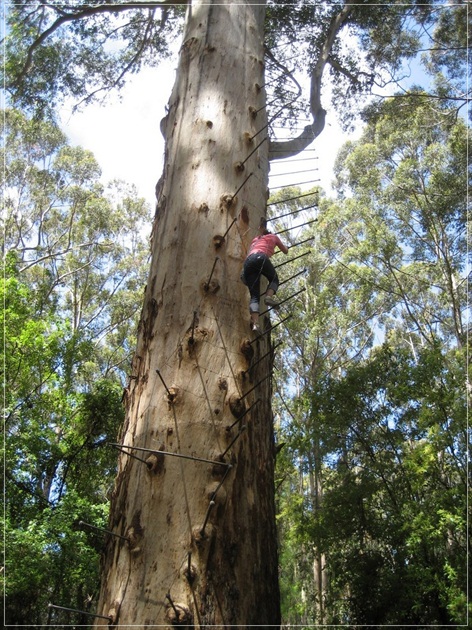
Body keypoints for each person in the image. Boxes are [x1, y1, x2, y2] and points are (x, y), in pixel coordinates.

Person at [241, 218, 289, 332]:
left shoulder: (255, 240)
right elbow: (286, 251)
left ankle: (256, 324)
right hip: (260, 257)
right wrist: (286, 247)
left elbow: (251, 251)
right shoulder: (274, 237)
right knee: (274, 279)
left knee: (254, 296)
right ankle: (268, 297)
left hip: (248, 263)